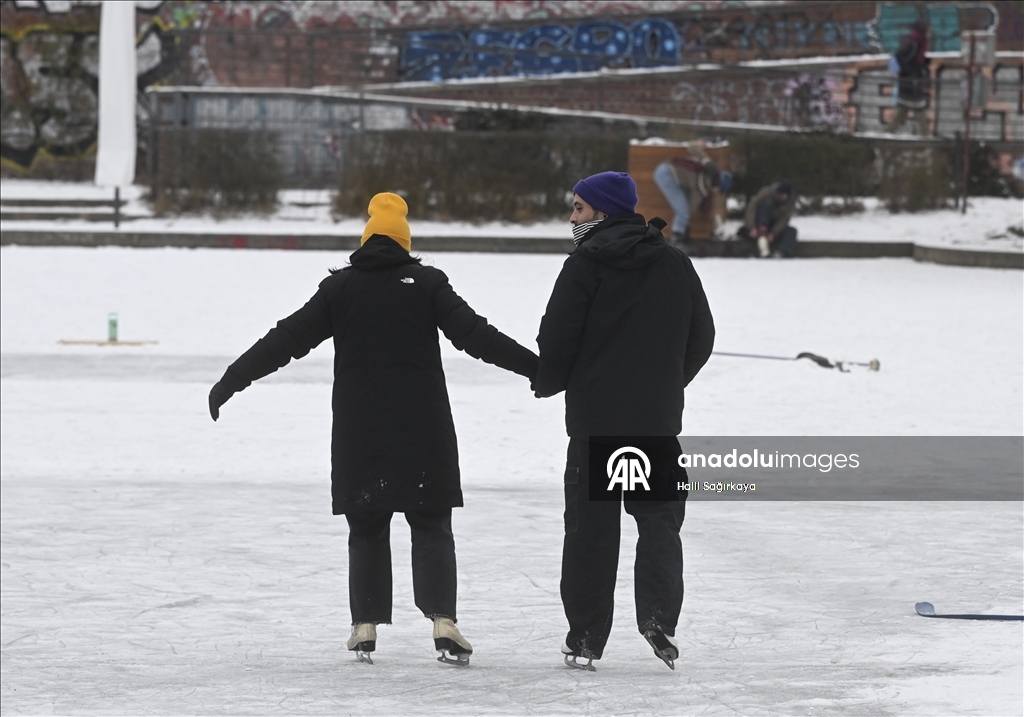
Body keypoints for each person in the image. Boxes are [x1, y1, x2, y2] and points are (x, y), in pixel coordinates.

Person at [208, 192, 537, 667]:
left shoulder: (340, 290)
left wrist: (233, 379)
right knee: (430, 524)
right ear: (405, 242)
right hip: (423, 427)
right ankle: (443, 620)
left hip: (361, 429)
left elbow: (287, 338)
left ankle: (364, 626)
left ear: (365, 240)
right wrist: (538, 369)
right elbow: (476, 335)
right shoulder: (426, 284)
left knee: (365, 526)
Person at [533, 171, 716, 670]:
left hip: (596, 426)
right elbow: (702, 336)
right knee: (658, 523)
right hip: (653, 425)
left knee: (591, 530)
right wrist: (665, 386)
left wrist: (548, 379)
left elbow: (557, 336)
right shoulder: (675, 263)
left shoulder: (585, 264)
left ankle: (587, 636)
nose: (572, 219)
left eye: (578, 209)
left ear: (602, 212)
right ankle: (658, 618)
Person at [652, 142, 733, 245]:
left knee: (684, 209)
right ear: (717, 186)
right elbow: (690, 209)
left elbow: (692, 148)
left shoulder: (710, 166)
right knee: (683, 212)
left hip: (666, 167)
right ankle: (676, 240)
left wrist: (700, 145)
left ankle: (681, 236)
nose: (717, 193)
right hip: (667, 176)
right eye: (719, 190)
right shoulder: (702, 190)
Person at [886, 20, 930, 135]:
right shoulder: (914, 42)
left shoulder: (918, 42)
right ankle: (927, 138)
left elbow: (915, 59)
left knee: (901, 112)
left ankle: (885, 135)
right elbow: (900, 55)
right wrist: (910, 73)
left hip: (909, 82)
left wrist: (925, 63)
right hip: (910, 83)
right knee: (919, 111)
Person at [740, 180, 798, 258]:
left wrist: (773, 233)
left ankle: (782, 252)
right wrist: (752, 227)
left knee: (792, 231)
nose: (783, 197)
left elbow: (784, 220)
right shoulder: (766, 194)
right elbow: (752, 208)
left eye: (785, 195)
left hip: (774, 225)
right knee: (765, 209)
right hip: (759, 222)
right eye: (781, 194)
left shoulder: (790, 203)